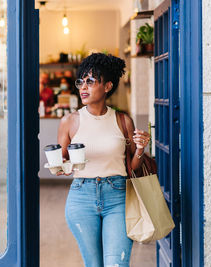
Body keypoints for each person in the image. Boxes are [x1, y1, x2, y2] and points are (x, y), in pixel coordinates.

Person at [57, 53, 151, 267]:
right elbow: (62, 162)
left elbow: (132, 168)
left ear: (108, 86)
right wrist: (63, 167)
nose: (83, 87)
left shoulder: (123, 120)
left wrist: (140, 149)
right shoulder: (69, 121)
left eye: (90, 81)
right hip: (81, 197)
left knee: (116, 264)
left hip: (117, 197)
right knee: (94, 264)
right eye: (81, 81)